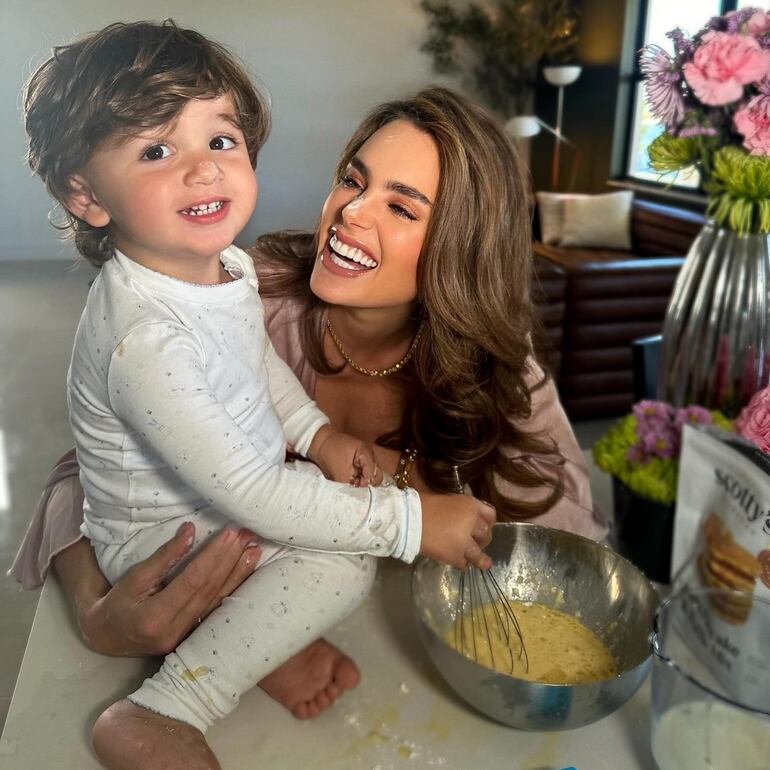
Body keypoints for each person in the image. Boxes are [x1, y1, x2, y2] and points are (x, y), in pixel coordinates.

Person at [12, 76, 607, 760]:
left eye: (401, 207)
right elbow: (84, 475)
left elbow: (571, 552)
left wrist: (367, 465)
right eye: (353, 180)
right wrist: (99, 617)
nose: (350, 213)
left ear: (462, 250)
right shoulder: (246, 293)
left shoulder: (499, 371)